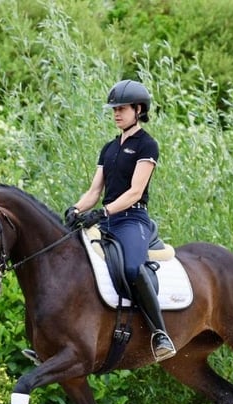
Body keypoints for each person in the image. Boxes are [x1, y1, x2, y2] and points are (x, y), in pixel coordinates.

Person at [65, 79, 176, 362]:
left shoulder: (147, 145)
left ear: (138, 109)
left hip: (132, 220)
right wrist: (76, 209)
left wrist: (104, 212)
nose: (116, 113)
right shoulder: (109, 148)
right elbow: (94, 192)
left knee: (132, 267)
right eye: (114, 109)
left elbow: (135, 191)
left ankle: (159, 333)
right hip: (108, 219)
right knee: (70, 259)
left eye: (122, 108)